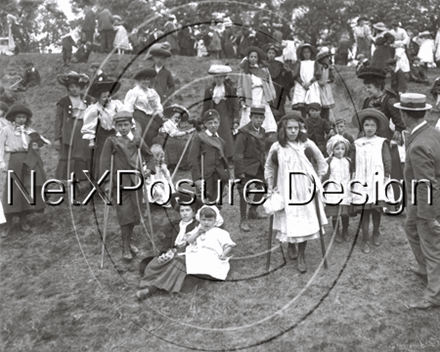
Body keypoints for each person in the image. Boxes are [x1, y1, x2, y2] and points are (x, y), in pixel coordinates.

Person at [265, 112, 328, 272]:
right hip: (286, 188)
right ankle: (291, 245)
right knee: (290, 218)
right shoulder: (277, 147)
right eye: (290, 128)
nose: (293, 131)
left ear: (300, 129)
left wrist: (317, 182)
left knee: (304, 221)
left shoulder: (306, 144)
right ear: (283, 129)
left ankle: (301, 254)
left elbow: (321, 162)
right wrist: (270, 187)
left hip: (305, 189)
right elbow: (269, 168)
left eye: (296, 128)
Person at [394, 93, 440, 310]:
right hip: (420, 196)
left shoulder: (420, 143)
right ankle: (424, 269)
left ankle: (435, 296)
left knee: (432, 245)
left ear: (405, 114)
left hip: (427, 200)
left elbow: (427, 184)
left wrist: (429, 216)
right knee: (410, 227)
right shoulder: (429, 132)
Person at [99, 111, 153, 260]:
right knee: (124, 215)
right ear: (115, 126)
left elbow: (149, 156)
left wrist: (149, 169)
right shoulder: (112, 141)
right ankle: (125, 248)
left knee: (135, 214)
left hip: (136, 182)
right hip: (119, 183)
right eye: (119, 125)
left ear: (131, 125)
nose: (123, 128)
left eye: (125, 125)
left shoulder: (137, 139)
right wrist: (107, 182)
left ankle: (129, 243)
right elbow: (104, 164)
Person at [136, 192, 204, 300]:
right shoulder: (174, 225)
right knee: (155, 262)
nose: (185, 213)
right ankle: (150, 282)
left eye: (188, 210)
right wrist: (163, 254)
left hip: (187, 254)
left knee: (176, 263)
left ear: (194, 212)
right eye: (182, 210)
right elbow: (167, 242)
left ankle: (151, 289)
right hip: (172, 251)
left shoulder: (197, 226)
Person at [357, 67, 406, 203]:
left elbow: (400, 122)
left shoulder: (389, 100)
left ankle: (394, 200)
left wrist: (397, 132)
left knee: (389, 170)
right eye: (366, 87)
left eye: (369, 87)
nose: (367, 90)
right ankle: (373, 198)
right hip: (369, 140)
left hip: (385, 141)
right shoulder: (367, 101)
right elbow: (362, 121)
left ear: (378, 86)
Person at [0, 105, 48, 237]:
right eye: (19, 117)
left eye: (24, 117)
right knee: (12, 191)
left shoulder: (29, 131)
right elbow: (0, 146)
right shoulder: (6, 130)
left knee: (25, 190)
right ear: (13, 118)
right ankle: (7, 223)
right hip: (13, 160)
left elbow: (39, 143)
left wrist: (35, 145)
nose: (21, 119)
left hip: (26, 161)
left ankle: (23, 220)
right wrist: (2, 162)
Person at [351, 109, 392, 253]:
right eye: (366, 125)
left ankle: (375, 233)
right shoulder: (357, 143)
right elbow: (353, 162)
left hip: (377, 180)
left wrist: (386, 175)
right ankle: (365, 238)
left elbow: (387, 160)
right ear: (362, 127)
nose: (369, 128)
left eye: (372, 125)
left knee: (376, 210)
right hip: (362, 180)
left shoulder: (381, 143)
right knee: (364, 211)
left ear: (377, 127)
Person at [81, 80, 126, 178]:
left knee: (119, 156)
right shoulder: (95, 109)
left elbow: (125, 117)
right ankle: (104, 180)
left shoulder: (116, 105)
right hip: (102, 137)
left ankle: (118, 178)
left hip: (116, 134)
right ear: (99, 98)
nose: (107, 99)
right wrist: (91, 141)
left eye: (108, 96)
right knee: (104, 158)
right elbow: (90, 126)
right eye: (104, 97)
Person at [54, 72, 91, 188]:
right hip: (69, 131)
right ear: (68, 88)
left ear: (81, 88)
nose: (74, 89)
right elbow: (58, 120)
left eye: (77, 87)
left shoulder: (88, 100)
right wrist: (57, 138)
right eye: (71, 87)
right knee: (67, 156)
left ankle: (83, 182)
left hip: (84, 131)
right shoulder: (63, 102)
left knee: (83, 155)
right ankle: (64, 183)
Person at [233, 105, 267, 232]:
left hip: (258, 166)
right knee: (243, 192)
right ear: (250, 117)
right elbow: (238, 154)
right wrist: (240, 172)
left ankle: (253, 211)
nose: (258, 120)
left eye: (261, 118)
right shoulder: (243, 132)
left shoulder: (262, 131)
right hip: (245, 167)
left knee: (263, 188)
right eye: (256, 117)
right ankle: (243, 219)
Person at [188, 109, 229, 204]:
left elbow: (225, 163)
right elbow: (192, 159)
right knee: (205, 202)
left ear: (219, 123)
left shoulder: (222, 142)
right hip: (206, 175)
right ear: (205, 124)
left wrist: (226, 181)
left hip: (219, 175)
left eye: (215, 122)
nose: (213, 125)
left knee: (217, 203)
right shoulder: (199, 138)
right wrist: (197, 179)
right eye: (210, 123)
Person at [185, 205, 236, 280]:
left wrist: (224, 253)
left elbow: (228, 245)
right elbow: (189, 240)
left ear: (215, 221)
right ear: (200, 220)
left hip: (213, 254)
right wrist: (197, 233)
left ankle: (208, 274)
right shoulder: (197, 230)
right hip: (197, 252)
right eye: (204, 220)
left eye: (209, 220)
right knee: (193, 258)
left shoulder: (219, 232)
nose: (206, 222)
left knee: (210, 260)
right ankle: (196, 274)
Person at [202, 64, 239, 161]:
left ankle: (229, 157)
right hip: (213, 116)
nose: (218, 80)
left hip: (225, 116)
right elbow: (205, 106)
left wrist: (235, 120)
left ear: (224, 77)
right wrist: (203, 119)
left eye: (220, 77)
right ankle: (216, 157)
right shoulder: (209, 91)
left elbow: (235, 105)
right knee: (214, 135)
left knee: (226, 136)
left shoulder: (229, 90)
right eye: (216, 77)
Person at [237, 46, 277, 134]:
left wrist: (271, 94)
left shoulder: (263, 69)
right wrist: (241, 98)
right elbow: (240, 85)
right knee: (249, 112)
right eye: (251, 57)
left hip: (262, 93)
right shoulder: (244, 70)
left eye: (255, 57)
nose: (253, 59)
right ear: (248, 58)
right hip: (250, 94)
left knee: (264, 111)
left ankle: (265, 130)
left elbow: (269, 82)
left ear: (258, 58)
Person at [322, 135, 353, 243]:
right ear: (332, 149)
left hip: (345, 189)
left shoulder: (348, 161)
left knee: (345, 212)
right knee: (335, 213)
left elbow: (351, 174)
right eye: (337, 149)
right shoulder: (329, 161)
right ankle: (336, 232)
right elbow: (324, 176)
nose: (340, 151)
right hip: (333, 189)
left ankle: (345, 230)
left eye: (342, 149)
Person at [124, 68, 163, 146]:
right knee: (140, 139)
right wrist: (131, 122)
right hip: (138, 118)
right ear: (138, 81)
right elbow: (128, 108)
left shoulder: (152, 92)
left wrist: (162, 118)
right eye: (143, 80)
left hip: (151, 119)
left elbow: (158, 107)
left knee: (154, 138)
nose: (146, 82)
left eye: (148, 79)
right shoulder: (134, 92)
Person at [157, 104, 195, 172]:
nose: (177, 119)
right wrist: (187, 132)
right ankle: (169, 164)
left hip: (171, 137)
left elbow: (177, 133)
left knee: (186, 143)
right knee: (170, 144)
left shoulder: (175, 125)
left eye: (179, 118)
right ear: (171, 116)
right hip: (164, 137)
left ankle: (182, 164)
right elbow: (175, 134)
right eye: (176, 117)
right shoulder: (168, 123)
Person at [262, 43, 295, 121]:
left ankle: (280, 123)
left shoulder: (280, 64)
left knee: (279, 104)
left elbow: (288, 76)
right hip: (267, 87)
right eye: (269, 53)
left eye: (273, 53)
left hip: (278, 87)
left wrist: (285, 73)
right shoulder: (263, 64)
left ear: (276, 55)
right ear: (266, 54)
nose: (271, 55)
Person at [291, 43, 321, 119]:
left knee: (312, 103)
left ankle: (311, 121)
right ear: (302, 54)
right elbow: (296, 75)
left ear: (311, 53)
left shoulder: (314, 63)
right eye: (304, 52)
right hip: (302, 85)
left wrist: (310, 83)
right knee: (303, 104)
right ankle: (303, 120)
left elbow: (317, 74)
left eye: (308, 52)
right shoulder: (300, 63)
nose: (306, 54)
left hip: (311, 85)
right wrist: (302, 84)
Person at [316, 48, 336, 121]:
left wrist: (327, 81)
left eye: (328, 58)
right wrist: (319, 82)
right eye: (326, 58)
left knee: (327, 105)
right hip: (319, 88)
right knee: (320, 104)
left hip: (326, 87)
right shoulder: (319, 68)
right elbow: (316, 76)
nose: (328, 59)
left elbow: (332, 78)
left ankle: (327, 120)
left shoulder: (329, 68)